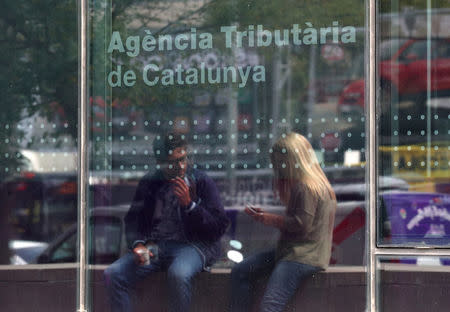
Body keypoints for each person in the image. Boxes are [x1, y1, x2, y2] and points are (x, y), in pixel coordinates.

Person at [104, 133, 229, 312]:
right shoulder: (151, 182)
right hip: (156, 248)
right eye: (173, 162)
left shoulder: (200, 181)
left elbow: (219, 226)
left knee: (178, 274)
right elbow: (133, 219)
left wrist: (190, 205)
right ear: (160, 162)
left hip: (193, 246)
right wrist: (138, 244)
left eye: (183, 159)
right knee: (114, 273)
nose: (180, 167)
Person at [230, 132, 336, 312]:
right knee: (241, 271)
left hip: (301, 256)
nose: (278, 169)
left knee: (270, 306)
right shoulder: (314, 185)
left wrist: (270, 219)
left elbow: (302, 226)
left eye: (280, 164)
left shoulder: (305, 187)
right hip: (297, 253)